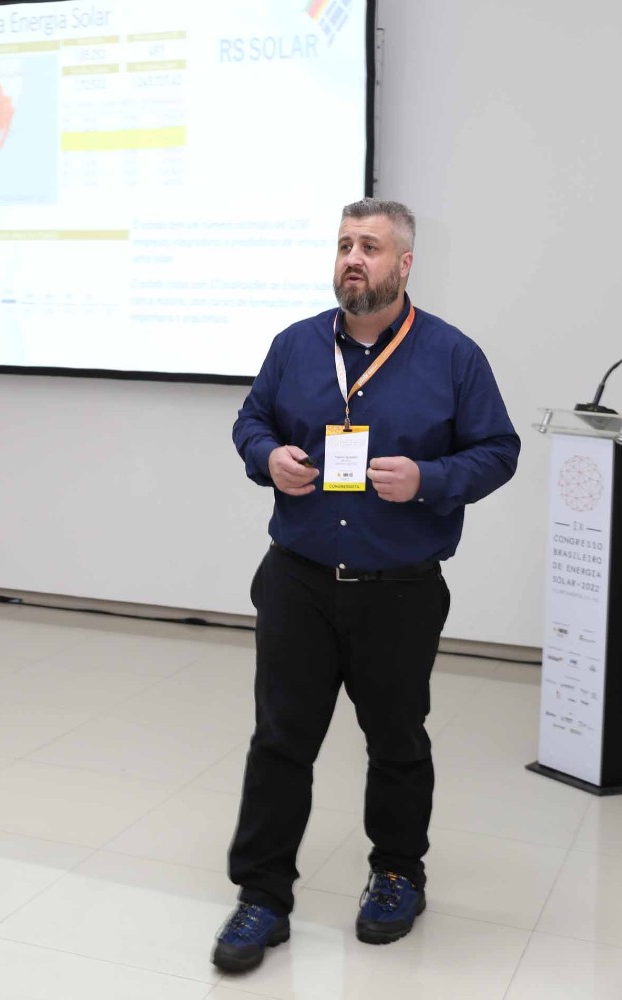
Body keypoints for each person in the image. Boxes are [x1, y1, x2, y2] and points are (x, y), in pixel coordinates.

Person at [212, 198, 520, 973]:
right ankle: (262, 895)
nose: (353, 258)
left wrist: (427, 480)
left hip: (398, 588)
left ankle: (396, 875)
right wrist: (265, 457)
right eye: (345, 244)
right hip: (298, 580)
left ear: (403, 264)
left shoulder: (452, 355)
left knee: (396, 739)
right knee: (280, 740)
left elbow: (497, 450)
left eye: (371, 247)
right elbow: (250, 421)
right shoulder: (294, 345)